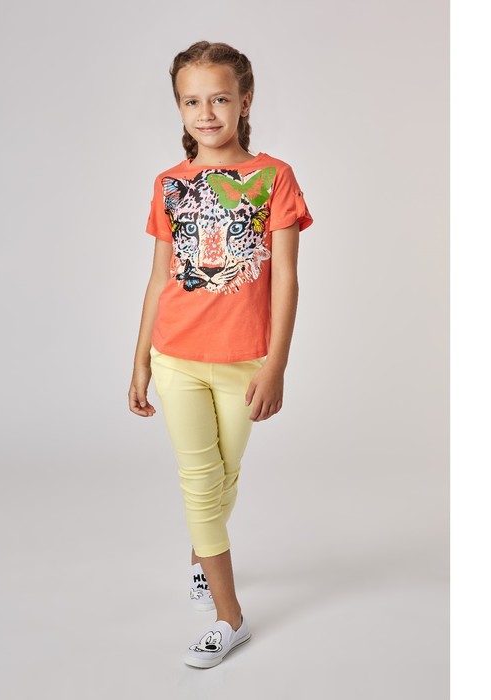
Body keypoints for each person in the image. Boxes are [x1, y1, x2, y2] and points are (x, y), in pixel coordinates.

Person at [127, 40, 314, 668]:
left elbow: (286, 278)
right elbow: (159, 279)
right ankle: (230, 617)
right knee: (202, 483)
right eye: (191, 101)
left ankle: (200, 558)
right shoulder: (168, 185)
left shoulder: (274, 177)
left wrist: (276, 363)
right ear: (179, 107)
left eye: (219, 99)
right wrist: (140, 360)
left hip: (244, 359)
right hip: (175, 354)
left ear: (244, 101)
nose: (205, 113)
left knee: (226, 474)